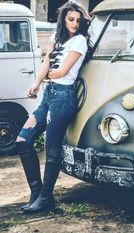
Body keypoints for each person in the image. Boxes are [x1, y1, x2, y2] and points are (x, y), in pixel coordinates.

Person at [2, 1, 91, 213]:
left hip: (63, 97)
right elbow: (46, 63)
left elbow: (61, 72)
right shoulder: (56, 39)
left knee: (51, 149)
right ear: (63, 19)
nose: (75, 24)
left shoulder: (79, 42)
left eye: (78, 20)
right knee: (23, 140)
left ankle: (45, 198)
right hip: (49, 95)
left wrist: (45, 77)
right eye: (71, 19)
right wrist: (35, 83)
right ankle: (38, 194)